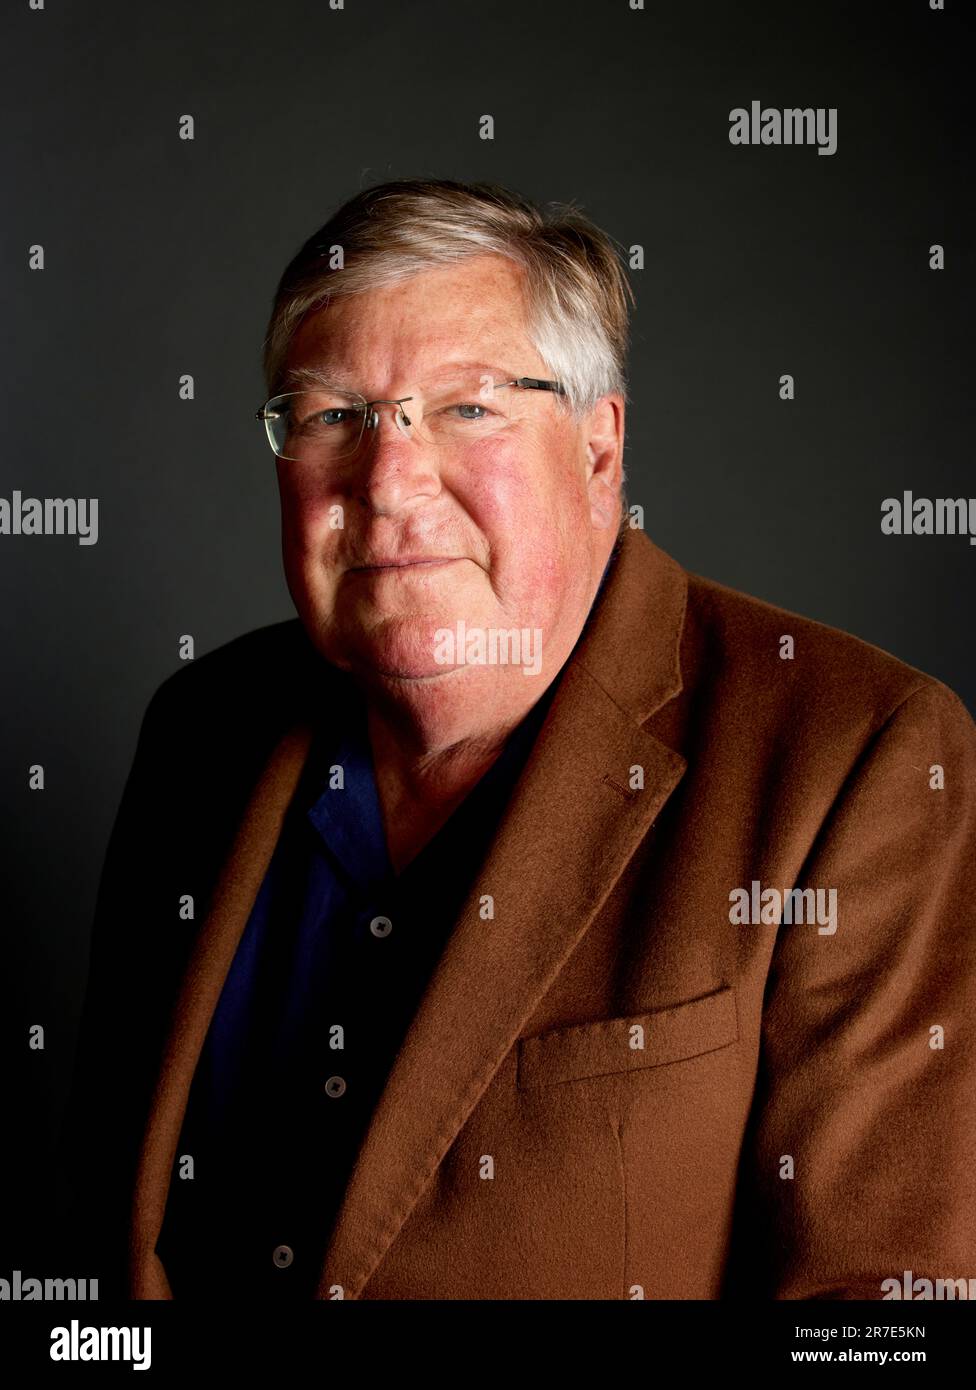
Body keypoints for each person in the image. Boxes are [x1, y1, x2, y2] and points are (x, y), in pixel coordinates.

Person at [58, 178, 976, 1301]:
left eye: (470, 406)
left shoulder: (852, 752)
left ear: (599, 451)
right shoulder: (204, 727)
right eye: (331, 415)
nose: (389, 481)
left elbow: (883, 1309)